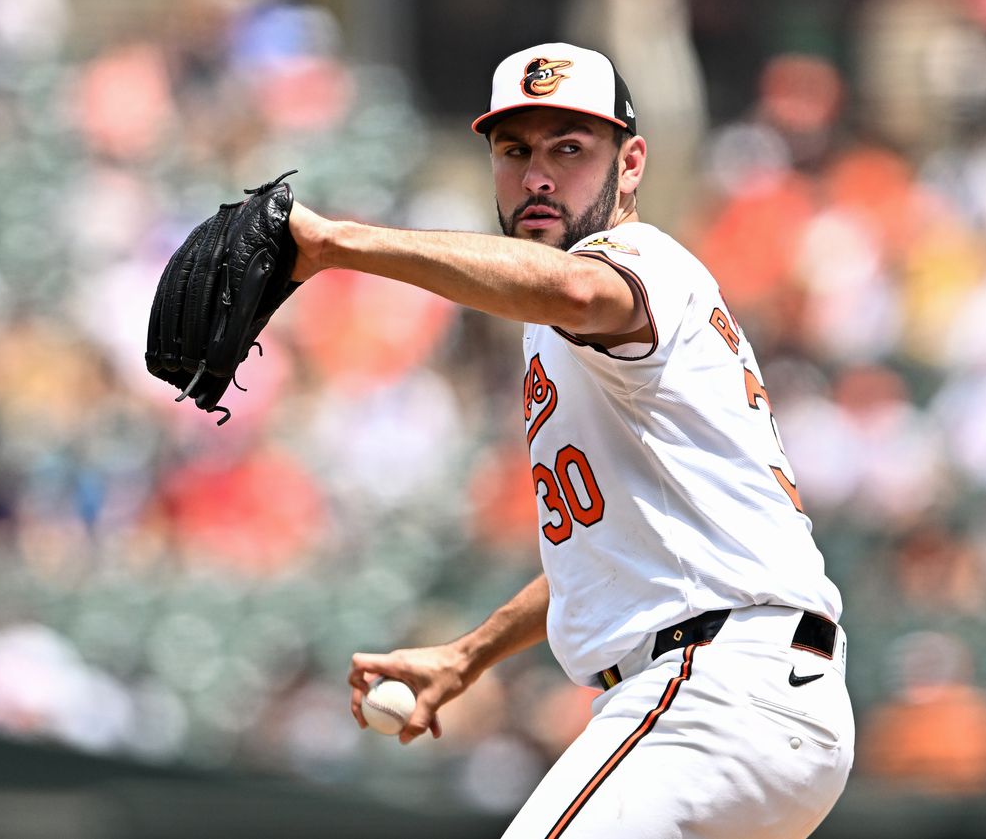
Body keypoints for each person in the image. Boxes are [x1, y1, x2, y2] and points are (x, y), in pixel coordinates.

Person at [287, 42, 853, 839]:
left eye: (570, 148)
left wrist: (336, 245)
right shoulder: (561, 323)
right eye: (515, 151)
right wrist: (469, 654)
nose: (539, 176)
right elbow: (613, 547)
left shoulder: (637, 261)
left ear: (631, 165)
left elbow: (580, 290)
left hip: (710, 690)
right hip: (760, 697)